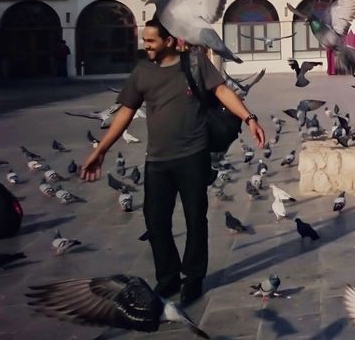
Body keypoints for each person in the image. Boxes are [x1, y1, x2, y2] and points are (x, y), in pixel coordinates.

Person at [79, 19, 265, 306]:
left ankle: (193, 279)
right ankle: (167, 278)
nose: (146, 45)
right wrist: (102, 149)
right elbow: (125, 112)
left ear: (168, 41)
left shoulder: (194, 62)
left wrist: (249, 118)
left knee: (195, 220)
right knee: (155, 222)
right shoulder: (142, 71)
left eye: (151, 40)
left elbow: (222, 91)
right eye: (144, 40)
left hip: (193, 155)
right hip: (158, 159)